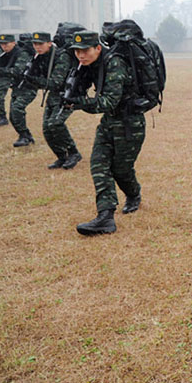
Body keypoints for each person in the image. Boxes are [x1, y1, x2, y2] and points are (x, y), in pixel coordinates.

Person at [65, 30, 146, 236]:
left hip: (129, 123)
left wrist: (79, 103)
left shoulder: (114, 64)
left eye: (85, 51)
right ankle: (105, 217)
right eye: (77, 51)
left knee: (121, 169)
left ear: (98, 48)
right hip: (109, 121)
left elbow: (109, 101)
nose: (80, 55)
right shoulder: (89, 66)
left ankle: (134, 195)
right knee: (98, 164)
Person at [21, 31, 82, 169]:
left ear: (49, 43)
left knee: (55, 124)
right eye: (35, 44)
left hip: (67, 94)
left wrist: (32, 79)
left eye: (40, 44)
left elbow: (56, 82)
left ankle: (74, 153)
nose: (37, 47)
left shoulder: (62, 57)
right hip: (54, 95)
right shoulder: (39, 57)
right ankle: (61, 157)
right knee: (47, 129)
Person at [7, 33, 38, 147]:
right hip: (18, 87)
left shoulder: (24, 53)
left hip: (28, 88)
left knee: (17, 110)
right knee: (12, 115)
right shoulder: (19, 53)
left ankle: (25, 136)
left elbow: (17, 70)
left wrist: (1, 70)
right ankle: (25, 136)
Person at [0, 34, 22, 128]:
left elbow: (17, 70)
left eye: (6, 44)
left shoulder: (19, 53)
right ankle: (0, 116)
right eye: (2, 44)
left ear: (13, 43)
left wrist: (0, 69)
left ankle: (3, 117)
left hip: (9, 77)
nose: (4, 46)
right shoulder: (3, 53)